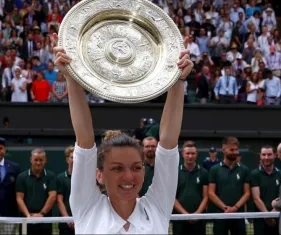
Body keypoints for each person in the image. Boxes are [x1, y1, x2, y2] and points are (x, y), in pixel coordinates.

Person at [53, 34, 193, 233]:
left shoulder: (157, 208)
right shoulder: (88, 207)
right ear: (99, 175)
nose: (129, 177)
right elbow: (84, 140)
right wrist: (70, 76)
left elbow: (168, 143)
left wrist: (178, 79)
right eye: (117, 169)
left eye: (136, 167)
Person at [208, 137, 251, 235]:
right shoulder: (214, 169)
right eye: (231, 149)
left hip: (238, 216)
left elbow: (247, 193)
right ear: (223, 150)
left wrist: (235, 208)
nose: (235, 152)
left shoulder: (244, 169)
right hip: (220, 216)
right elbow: (211, 193)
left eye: (236, 149)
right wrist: (225, 208)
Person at [16, 148, 57, 235]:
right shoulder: (22, 177)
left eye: (41, 160)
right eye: (36, 160)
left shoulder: (51, 176)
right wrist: (28, 216)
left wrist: (41, 214)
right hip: (26, 220)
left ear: (45, 160)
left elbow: (53, 196)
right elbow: (19, 198)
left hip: (45, 220)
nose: (38, 163)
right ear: (31, 160)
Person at [172, 141, 208, 235]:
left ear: (197, 154)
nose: (190, 156)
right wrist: (186, 215)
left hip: (199, 219)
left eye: (193, 153)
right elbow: (172, 197)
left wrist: (197, 214)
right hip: (179, 219)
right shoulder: (175, 172)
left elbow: (206, 197)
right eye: (188, 153)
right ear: (182, 154)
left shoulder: (204, 172)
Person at [250, 145, 281, 235]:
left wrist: (273, 214)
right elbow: (256, 198)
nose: (266, 157)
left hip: (279, 218)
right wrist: (267, 217)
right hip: (260, 220)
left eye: (269, 154)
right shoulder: (254, 174)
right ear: (260, 156)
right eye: (263, 154)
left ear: (275, 155)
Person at [57, 146, 75, 235]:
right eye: (72, 157)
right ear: (67, 159)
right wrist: (68, 220)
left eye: (77, 157)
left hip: (82, 223)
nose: (75, 160)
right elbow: (59, 200)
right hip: (65, 225)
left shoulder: (85, 178)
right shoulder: (60, 178)